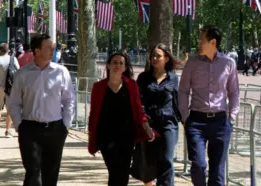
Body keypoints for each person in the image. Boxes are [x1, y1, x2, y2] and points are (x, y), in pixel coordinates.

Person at [7, 34, 75, 186]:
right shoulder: (23, 74)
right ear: (37, 51)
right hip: (30, 130)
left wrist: (66, 125)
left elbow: (69, 99)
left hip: (56, 129)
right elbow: (14, 102)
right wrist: (20, 125)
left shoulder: (61, 72)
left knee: (51, 174)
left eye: (53, 47)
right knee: (34, 174)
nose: (53, 50)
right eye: (48, 48)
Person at [178, 25, 240, 186]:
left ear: (213, 42)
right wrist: (185, 118)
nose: (198, 43)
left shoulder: (228, 63)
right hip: (196, 121)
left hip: (220, 122)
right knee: (199, 165)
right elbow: (183, 90)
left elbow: (234, 92)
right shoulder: (192, 63)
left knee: (217, 172)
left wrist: (231, 118)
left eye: (202, 40)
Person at [88, 52, 155, 186]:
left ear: (125, 68)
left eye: (121, 63)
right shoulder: (98, 87)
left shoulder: (131, 85)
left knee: (122, 170)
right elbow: (94, 112)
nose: (117, 65)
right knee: (114, 169)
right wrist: (91, 135)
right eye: (114, 62)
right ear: (108, 65)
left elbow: (138, 108)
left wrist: (146, 126)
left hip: (126, 135)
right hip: (105, 136)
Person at [134, 44, 180, 186]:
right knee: (148, 161)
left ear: (166, 58)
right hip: (148, 124)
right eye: (153, 55)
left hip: (168, 123)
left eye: (158, 56)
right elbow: (137, 101)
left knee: (167, 160)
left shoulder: (173, 78)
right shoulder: (143, 77)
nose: (154, 58)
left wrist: (183, 119)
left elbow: (177, 101)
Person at [0, 43, 20, 138]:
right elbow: (18, 72)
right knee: (9, 110)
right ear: (8, 50)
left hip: (0, 86)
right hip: (11, 87)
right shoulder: (13, 59)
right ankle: (7, 131)